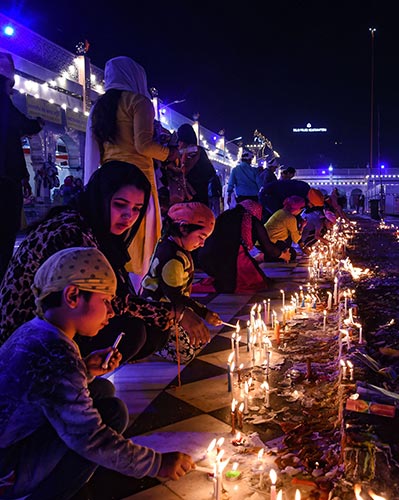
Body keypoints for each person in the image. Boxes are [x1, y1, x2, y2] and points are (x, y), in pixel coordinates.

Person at [0, 247, 195, 500]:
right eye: (105, 301)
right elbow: (90, 437)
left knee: (101, 390)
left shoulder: (35, 331)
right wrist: (158, 464)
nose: (111, 312)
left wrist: (84, 370)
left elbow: (44, 389)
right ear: (72, 296)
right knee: (111, 413)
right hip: (8, 470)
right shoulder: (57, 354)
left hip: (11, 445)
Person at [0, 161, 211, 362]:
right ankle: (67, 374)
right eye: (120, 204)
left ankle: (84, 371)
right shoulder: (72, 233)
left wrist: (172, 314)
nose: (129, 216)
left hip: (53, 322)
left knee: (154, 327)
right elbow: (108, 300)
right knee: (132, 331)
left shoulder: (93, 227)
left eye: (137, 209)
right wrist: (176, 313)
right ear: (101, 198)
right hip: (26, 335)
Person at [85, 56, 180, 280]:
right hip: (136, 178)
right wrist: (169, 154)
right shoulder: (138, 102)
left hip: (108, 180)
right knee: (139, 234)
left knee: (111, 229)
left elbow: (93, 149)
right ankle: (138, 287)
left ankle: (112, 281)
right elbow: (143, 145)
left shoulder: (99, 107)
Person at [140, 202, 221, 362]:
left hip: (175, 309)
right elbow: (176, 297)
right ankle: (154, 345)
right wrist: (203, 313)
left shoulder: (177, 247)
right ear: (183, 228)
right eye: (200, 237)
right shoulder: (172, 258)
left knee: (199, 341)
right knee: (186, 354)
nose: (202, 244)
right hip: (160, 312)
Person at [0, 51, 45, 280]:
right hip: (5, 180)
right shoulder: (3, 102)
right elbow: (22, 127)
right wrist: (38, 123)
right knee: (5, 234)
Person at [197, 200, 291, 293]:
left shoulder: (225, 216)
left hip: (205, 259)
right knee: (256, 281)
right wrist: (283, 255)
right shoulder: (251, 219)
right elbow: (268, 248)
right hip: (228, 260)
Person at [176, 123, 218, 207]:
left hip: (183, 193)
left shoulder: (177, 153)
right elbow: (210, 172)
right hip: (201, 193)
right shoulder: (199, 151)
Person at [264, 195, 307, 261]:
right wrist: (302, 226)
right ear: (297, 208)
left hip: (263, 240)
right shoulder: (290, 218)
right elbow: (296, 239)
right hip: (270, 242)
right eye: (301, 209)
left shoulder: (280, 211)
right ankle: (265, 256)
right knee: (291, 255)